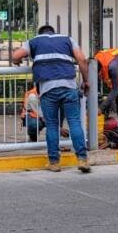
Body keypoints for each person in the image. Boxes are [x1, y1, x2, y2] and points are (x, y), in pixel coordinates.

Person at [11, 24, 91, 173]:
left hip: (48, 89)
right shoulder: (67, 39)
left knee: (52, 125)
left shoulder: (34, 41)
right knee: (74, 122)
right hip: (69, 87)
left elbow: (16, 56)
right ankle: (82, 159)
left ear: (40, 33)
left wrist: (17, 62)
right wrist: (86, 81)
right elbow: (82, 60)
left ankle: (54, 163)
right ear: (53, 32)